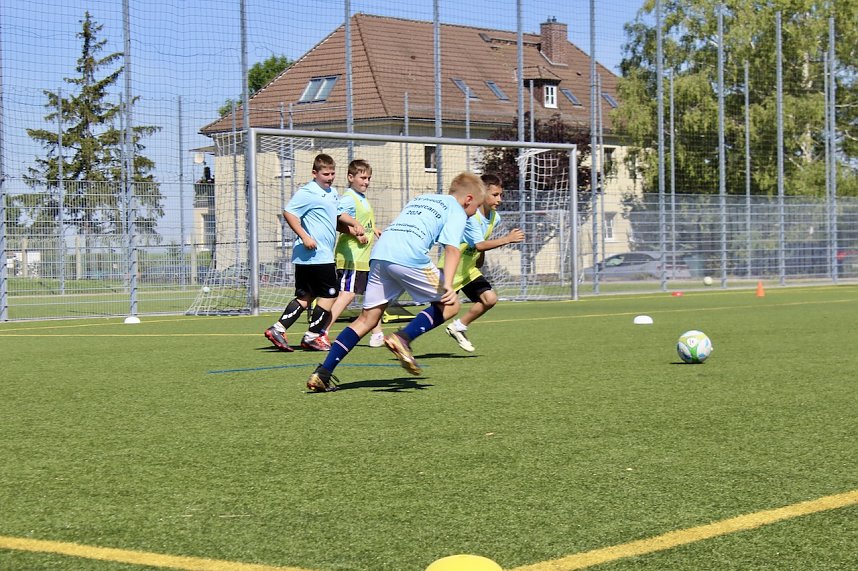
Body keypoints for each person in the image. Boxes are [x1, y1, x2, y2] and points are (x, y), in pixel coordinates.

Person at [306, 172, 486, 392]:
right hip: (409, 256)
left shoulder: (423, 198)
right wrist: (447, 284)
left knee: (367, 319)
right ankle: (403, 337)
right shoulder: (457, 210)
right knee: (451, 304)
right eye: (476, 207)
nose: (474, 212)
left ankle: (322, 373)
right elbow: (452, 249)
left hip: (381, 253)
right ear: (468, 199)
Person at [264, 153, 366, 352]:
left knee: (306, 296)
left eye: (332, 173)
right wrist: (304, 236)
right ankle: (312, 336)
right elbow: (289, 212)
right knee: (329, 295)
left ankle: (278, 328)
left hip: (318, 255)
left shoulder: (332, 193)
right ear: (314, 173)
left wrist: (353, 227)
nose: (330, 177)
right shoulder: (307, 192)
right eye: (326, 174)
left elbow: (335, 219)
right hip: (316, 254)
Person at [442, 174, 525, 352]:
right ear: (482, 193)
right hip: (453, 268)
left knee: (490, 298)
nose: (499, 199)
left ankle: (459, 326)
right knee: (439, 313)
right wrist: (508, 239)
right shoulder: (471, 216)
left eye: (500, 195)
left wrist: (479, 259)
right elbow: (479, 244)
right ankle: (404, 336)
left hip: (469, 269)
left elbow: (480, 244)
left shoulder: (495, 217)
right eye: (495, 195)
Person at [326, 159, 386, 348]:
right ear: (350, 177)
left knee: (373, 296)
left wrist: (373, 229)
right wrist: (354, 230)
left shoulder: (361, 198)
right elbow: (337, 217)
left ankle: (377, 334)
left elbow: (361, 221)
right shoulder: (348, 198)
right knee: (347, 294)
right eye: (362, 177)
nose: (366, 181)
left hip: (364, 259)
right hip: (351, 256)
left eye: (368, 178)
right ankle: (322, 331)